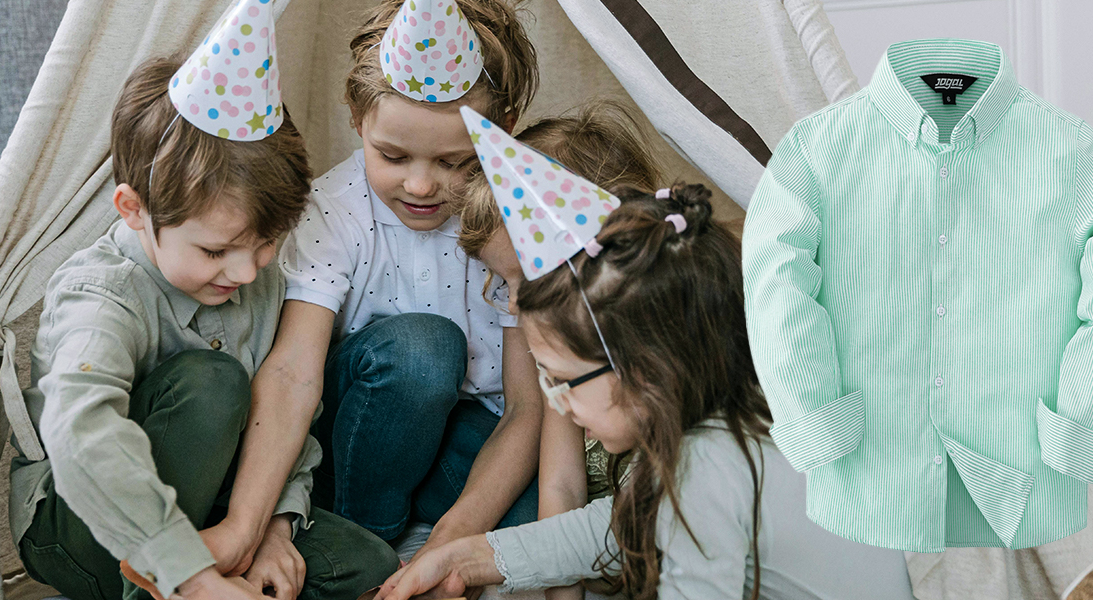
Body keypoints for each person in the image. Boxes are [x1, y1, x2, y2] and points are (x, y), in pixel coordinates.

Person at [378, 109, 915, 599]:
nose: (558, 405)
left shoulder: (703, 469)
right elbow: (619, 523)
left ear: (645, 371)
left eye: (565, 382)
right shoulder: (729, 430)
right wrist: (470, 558)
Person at [9, 5, 396, 598]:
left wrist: (272, 525)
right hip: (83, 527)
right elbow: (81, 433)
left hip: (216, 506)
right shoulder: (100, 294)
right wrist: (188, 574)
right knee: (211, 382)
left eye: (266, 243)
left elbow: (289, 410)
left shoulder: (252, 276)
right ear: (134, 210)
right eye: (217, 250)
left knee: (366, 567)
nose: (244, 270)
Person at [271, 0, 545, 566]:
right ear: (357, 117)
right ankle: (357, 547)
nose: (421, 185)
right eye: (392, 155)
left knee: (534, 526)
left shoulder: (515, 222)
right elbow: (294, 373)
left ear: (503, 131)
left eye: (456, 162)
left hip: (468, 434)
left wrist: (450, 544)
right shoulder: (334, 211)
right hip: (356, 433)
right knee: (426, 350)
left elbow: (524, 410)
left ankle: (420, 536)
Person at [453, 99, 664, 600]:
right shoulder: (558, 355)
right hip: (588, 547)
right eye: (502, 280)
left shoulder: (662, 357)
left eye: (528, 275)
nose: (515, 302)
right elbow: (562, 485)